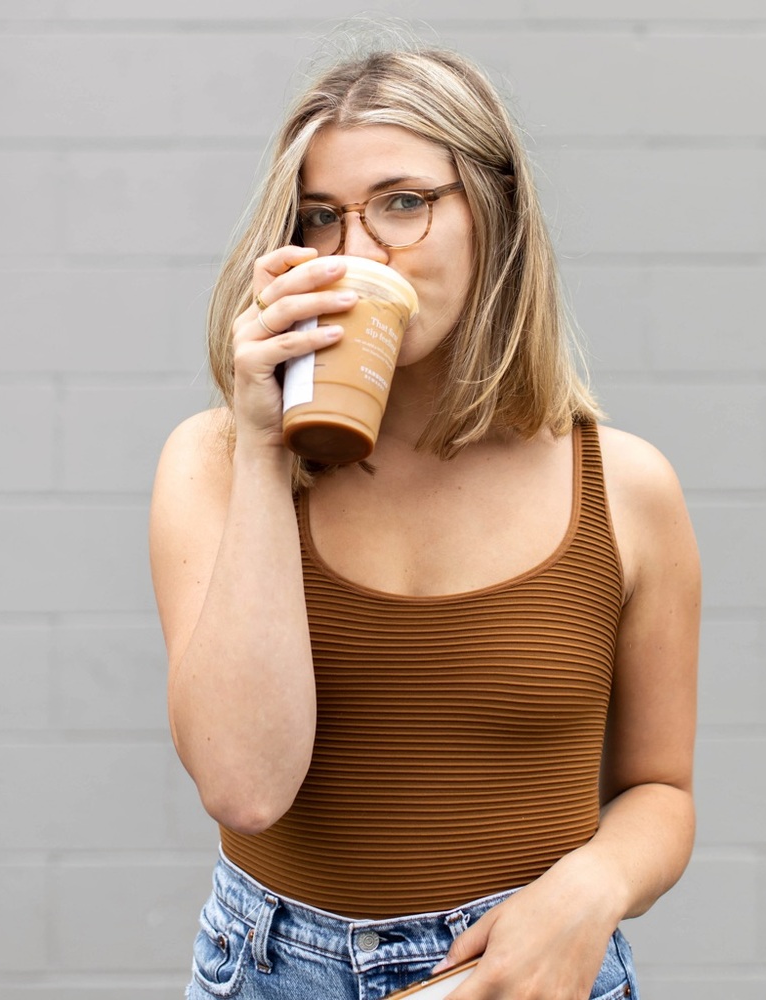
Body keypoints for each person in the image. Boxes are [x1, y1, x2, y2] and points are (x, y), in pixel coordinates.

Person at [149, 40, 700, 1000]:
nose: (357, 254)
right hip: (274, 971)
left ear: (496, 212)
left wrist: (590, 890)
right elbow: (244, 787)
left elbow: (661, 792)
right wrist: (267, 444)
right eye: (321, 219)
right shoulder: (217, 462)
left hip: (529, 968)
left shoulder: (627, 487)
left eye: (404, 203)